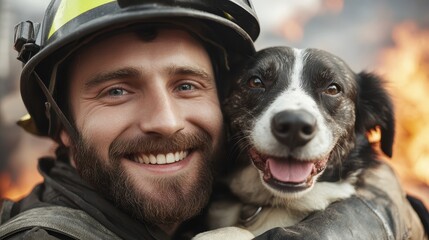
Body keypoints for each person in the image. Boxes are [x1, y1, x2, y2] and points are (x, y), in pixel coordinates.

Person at [0, 0, 427, 239]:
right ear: (61, 126)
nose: (166, 123)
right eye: (117, 91)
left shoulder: (205, 192)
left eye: (187, 85)